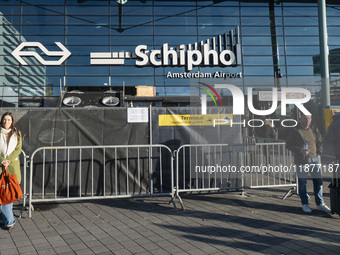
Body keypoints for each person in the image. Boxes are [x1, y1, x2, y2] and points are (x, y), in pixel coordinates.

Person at [286, 113, 331, 213]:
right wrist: (299, 150)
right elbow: (288, 145)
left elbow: (319, 142)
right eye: (305, 118)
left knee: (318, 182)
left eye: (309, 118)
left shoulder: (314, 129)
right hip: (302, 161)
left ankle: (320, 204)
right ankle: (305, 204)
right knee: (302, 183)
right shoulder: (295, 131)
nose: (307, 120)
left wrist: (319, 153)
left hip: (315, 160)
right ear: (300, 119)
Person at [0, 112, 22, 230]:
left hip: (12, 168)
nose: (6, 122)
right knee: (3, 194)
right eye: (4, 119)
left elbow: (18, 149)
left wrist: (7, 160)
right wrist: (2, 160)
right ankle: (9, 220)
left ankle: (6, 219)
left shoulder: (16, 133)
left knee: (9, 193)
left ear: (12, 121)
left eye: (9, 120)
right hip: (0, 168)